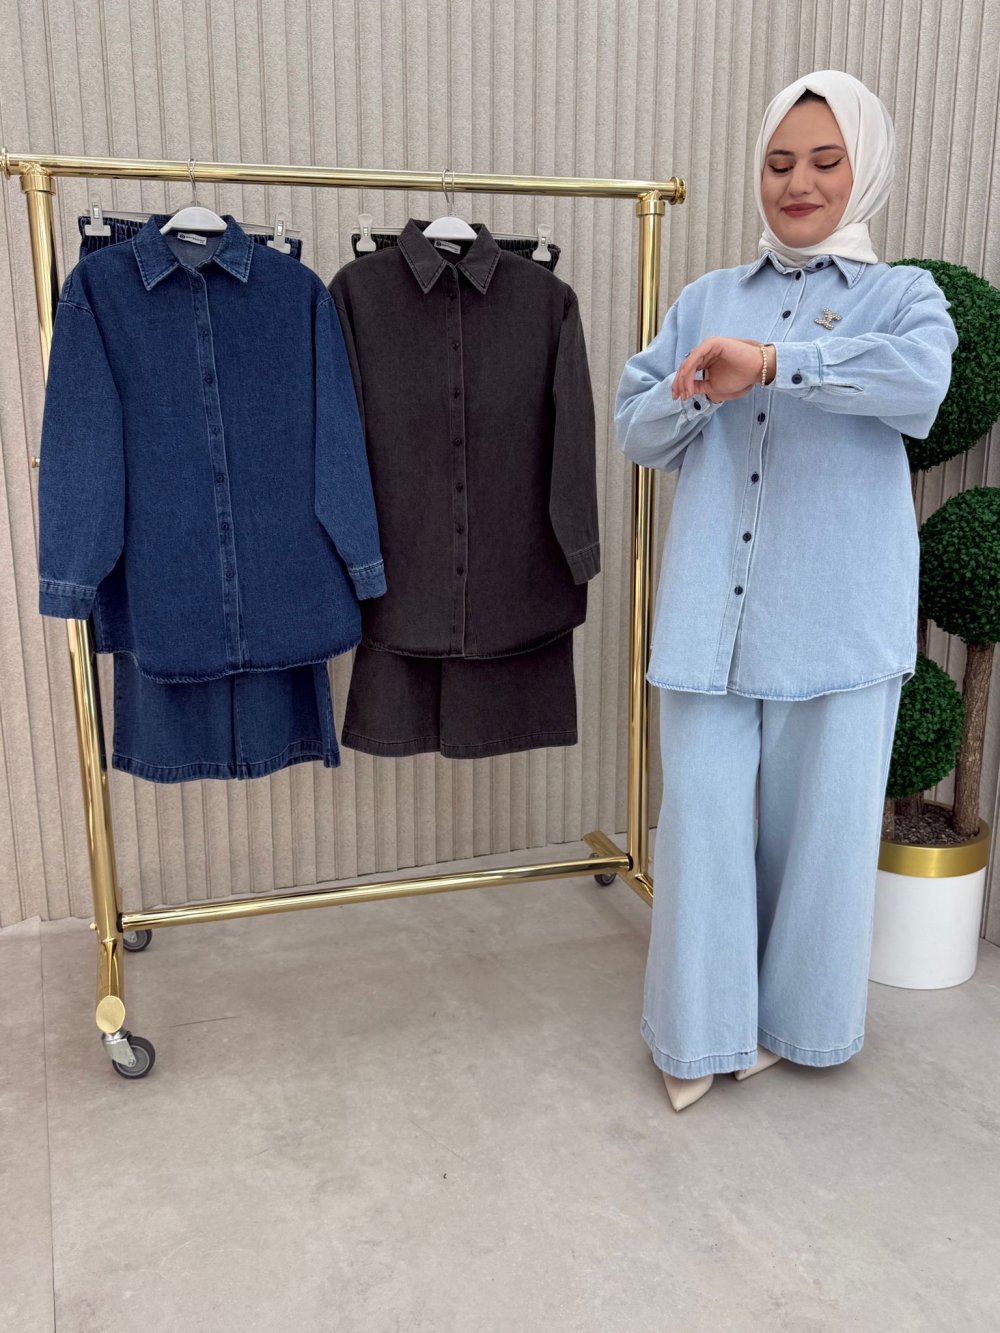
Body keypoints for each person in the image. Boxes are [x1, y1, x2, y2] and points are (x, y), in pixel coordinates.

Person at [614, 70, 957, 1112]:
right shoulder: (705, 298)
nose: (797, 183)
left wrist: (774, 363)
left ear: (865, 169)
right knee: (703, 824)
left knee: (822, 841)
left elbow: (917, 385)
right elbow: (635, 426)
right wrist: (694, 394)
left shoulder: (905, 298)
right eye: (778, 163)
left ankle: (797, 1024)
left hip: (838, 617)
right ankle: (698, 1035)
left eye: (823, 161)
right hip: (711, 615)